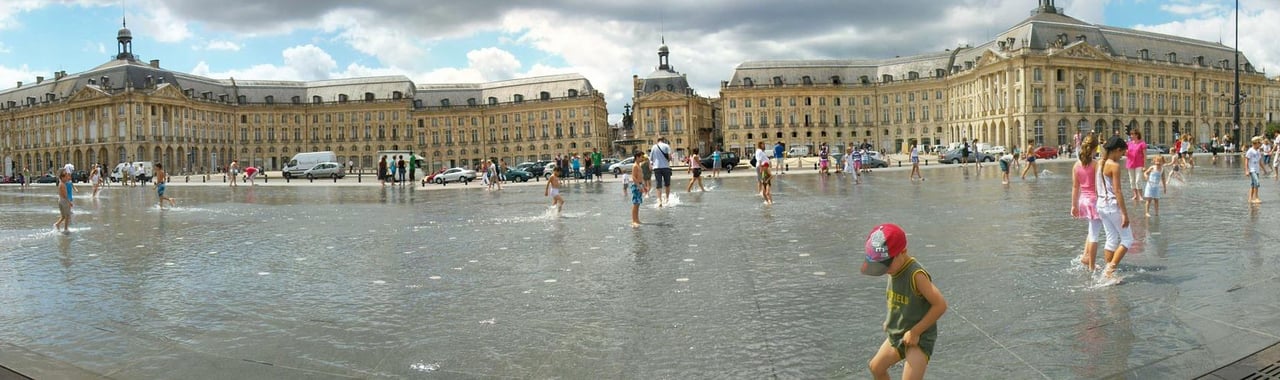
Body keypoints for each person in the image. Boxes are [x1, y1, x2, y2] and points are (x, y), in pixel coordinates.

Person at [861, 223, 947, 380]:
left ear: (903, 252)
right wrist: (890, 320)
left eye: (886, 264)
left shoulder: (916, 275)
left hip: (919, 338)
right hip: (898, 333)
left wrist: (915, 332)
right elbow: (899, 300)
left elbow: (940, 305)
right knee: (876, 367)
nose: (884, 269)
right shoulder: (893, 268)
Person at [1098, 136, 1134, 281]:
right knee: (1127, 239)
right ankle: (1109, 270)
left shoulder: (1100, 162)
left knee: (1111, 239)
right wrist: (1125, 214)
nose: (1122, 156)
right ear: (1117, 150)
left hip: (1101, 205)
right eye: (1122, 153)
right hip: (1112, 205)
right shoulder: (1114, 165)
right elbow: (1118, 190)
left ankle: (1109, 271)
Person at [1070, 133, 1103, 271]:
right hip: (1094, 201)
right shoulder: (1096, 164)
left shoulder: (1076, 166)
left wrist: (1073, 205)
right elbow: (1098, 186)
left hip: (1083, 200)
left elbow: (1075, 187)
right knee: (1095, 233)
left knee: (1091, 229)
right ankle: (1092, 266)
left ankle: (1085, 256)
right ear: (1095, 149)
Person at [650, 137, 673, 206]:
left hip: (657, 168)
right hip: (665, 167)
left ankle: (660, 201)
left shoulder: (654, 147)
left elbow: (651, 158)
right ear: (663, 140)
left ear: (657, 141)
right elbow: (669, 157)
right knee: (667, 184)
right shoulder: (666, 146)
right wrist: (668, 160)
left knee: (658, 184)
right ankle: (667, 199)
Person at [1124, 130, 1147, 201]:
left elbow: (1145, 155)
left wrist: (1144, 166)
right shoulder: (1129, 143)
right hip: (1130, 163)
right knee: (1132, 180)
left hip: (1139, 164)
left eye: (1132, 134)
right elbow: (1126, 154)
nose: (1131, 136)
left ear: (1137, 135)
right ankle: (1135, 195)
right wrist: (1126, 152)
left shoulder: (1142, 144)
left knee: (1138, 180)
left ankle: (1140, 195)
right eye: (1131, 134)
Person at [1245, 136, 1263, 204]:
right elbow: (1246, 160)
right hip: (1252, 170)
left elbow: (1260, 161)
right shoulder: (1250, 151)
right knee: (1257, 183)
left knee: (1253, 185)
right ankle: (1256, 198)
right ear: (1255, 143)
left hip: (1257, 170)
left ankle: (1250, 199)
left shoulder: (1258, 151)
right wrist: (1246, 170)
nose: (1260, 144)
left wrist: (1264, 170)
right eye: (1259, 143)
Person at [629, 152, 645, 227]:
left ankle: (637, 219)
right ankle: (633, 220)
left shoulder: (639, 165)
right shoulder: (635, 166)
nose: (642, 158)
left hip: (640, 185)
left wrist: (643, 186)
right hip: (636, 186)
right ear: (637, 157)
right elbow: (633, 177)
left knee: (638, 204)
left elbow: (641, 176)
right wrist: (639, 186)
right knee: (635, 203)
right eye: (641, 157)